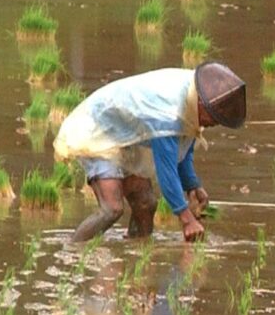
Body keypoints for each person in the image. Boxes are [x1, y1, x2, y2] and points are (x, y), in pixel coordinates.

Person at [53, 62, 246, 243]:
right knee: (112, 209)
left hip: (129, 136)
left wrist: (192, 185)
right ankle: (73, 253)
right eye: (214, 118)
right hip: (98, 128)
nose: (213, 124)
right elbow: (167, 171)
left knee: (146, 203)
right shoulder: (168, 114)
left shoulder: (194, 98)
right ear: (203, 105)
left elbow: (183, 149)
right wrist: (187, 219)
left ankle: (139, 255)